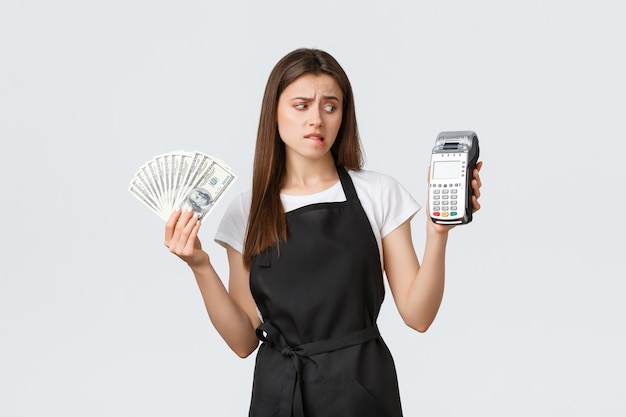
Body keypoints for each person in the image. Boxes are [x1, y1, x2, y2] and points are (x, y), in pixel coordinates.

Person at [164, 48, 483, 417]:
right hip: (279, 397)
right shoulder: (247, 210)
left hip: (361, 394)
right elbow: (242, 341)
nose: (316, 119)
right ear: (274, 112)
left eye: (330, 106)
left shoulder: (378, 193)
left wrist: (437, 233)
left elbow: (418, 315)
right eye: (301, 105)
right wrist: (200, 266)